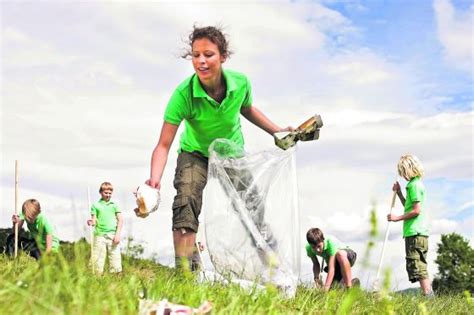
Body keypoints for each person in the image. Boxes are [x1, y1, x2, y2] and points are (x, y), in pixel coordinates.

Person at [145, 25, 291, 271]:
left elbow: (246, 108)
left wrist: (276, 130)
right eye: (196, 55)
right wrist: (154, 180)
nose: (201, 61)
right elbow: (163, 144)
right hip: (195, 154)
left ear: (223, 56)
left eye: (208, 54)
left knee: (253, 208)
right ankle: (186, 275)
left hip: (231, 153)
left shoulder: (241, 83)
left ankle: (274, 271)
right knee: (186, 200)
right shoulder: (183, 95)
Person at [387, 154, 433, 296]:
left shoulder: (414, 185)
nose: (403, 176)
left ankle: (428, 297)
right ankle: (427, 295)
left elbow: (416, 211)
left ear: (408, 170)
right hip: (418, 232)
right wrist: (399, 193)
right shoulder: (416, 184)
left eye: (403, 172)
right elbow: (409, 206)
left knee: (418, 267)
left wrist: (397, 218)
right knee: (418, 266)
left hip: (415, 232)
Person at [87, 182, 123, 274]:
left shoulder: (114, 205)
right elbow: (94, 220)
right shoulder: (95, 205)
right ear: (101, 192)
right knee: (97, 258)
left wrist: (117, 235)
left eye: (110, 193)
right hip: (100, 235)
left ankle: (117, 279)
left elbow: (120, 220)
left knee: (115, 259)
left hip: (113, 235)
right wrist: (91, 222)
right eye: (106, 193)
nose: (108, 195)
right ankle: (96, 278)